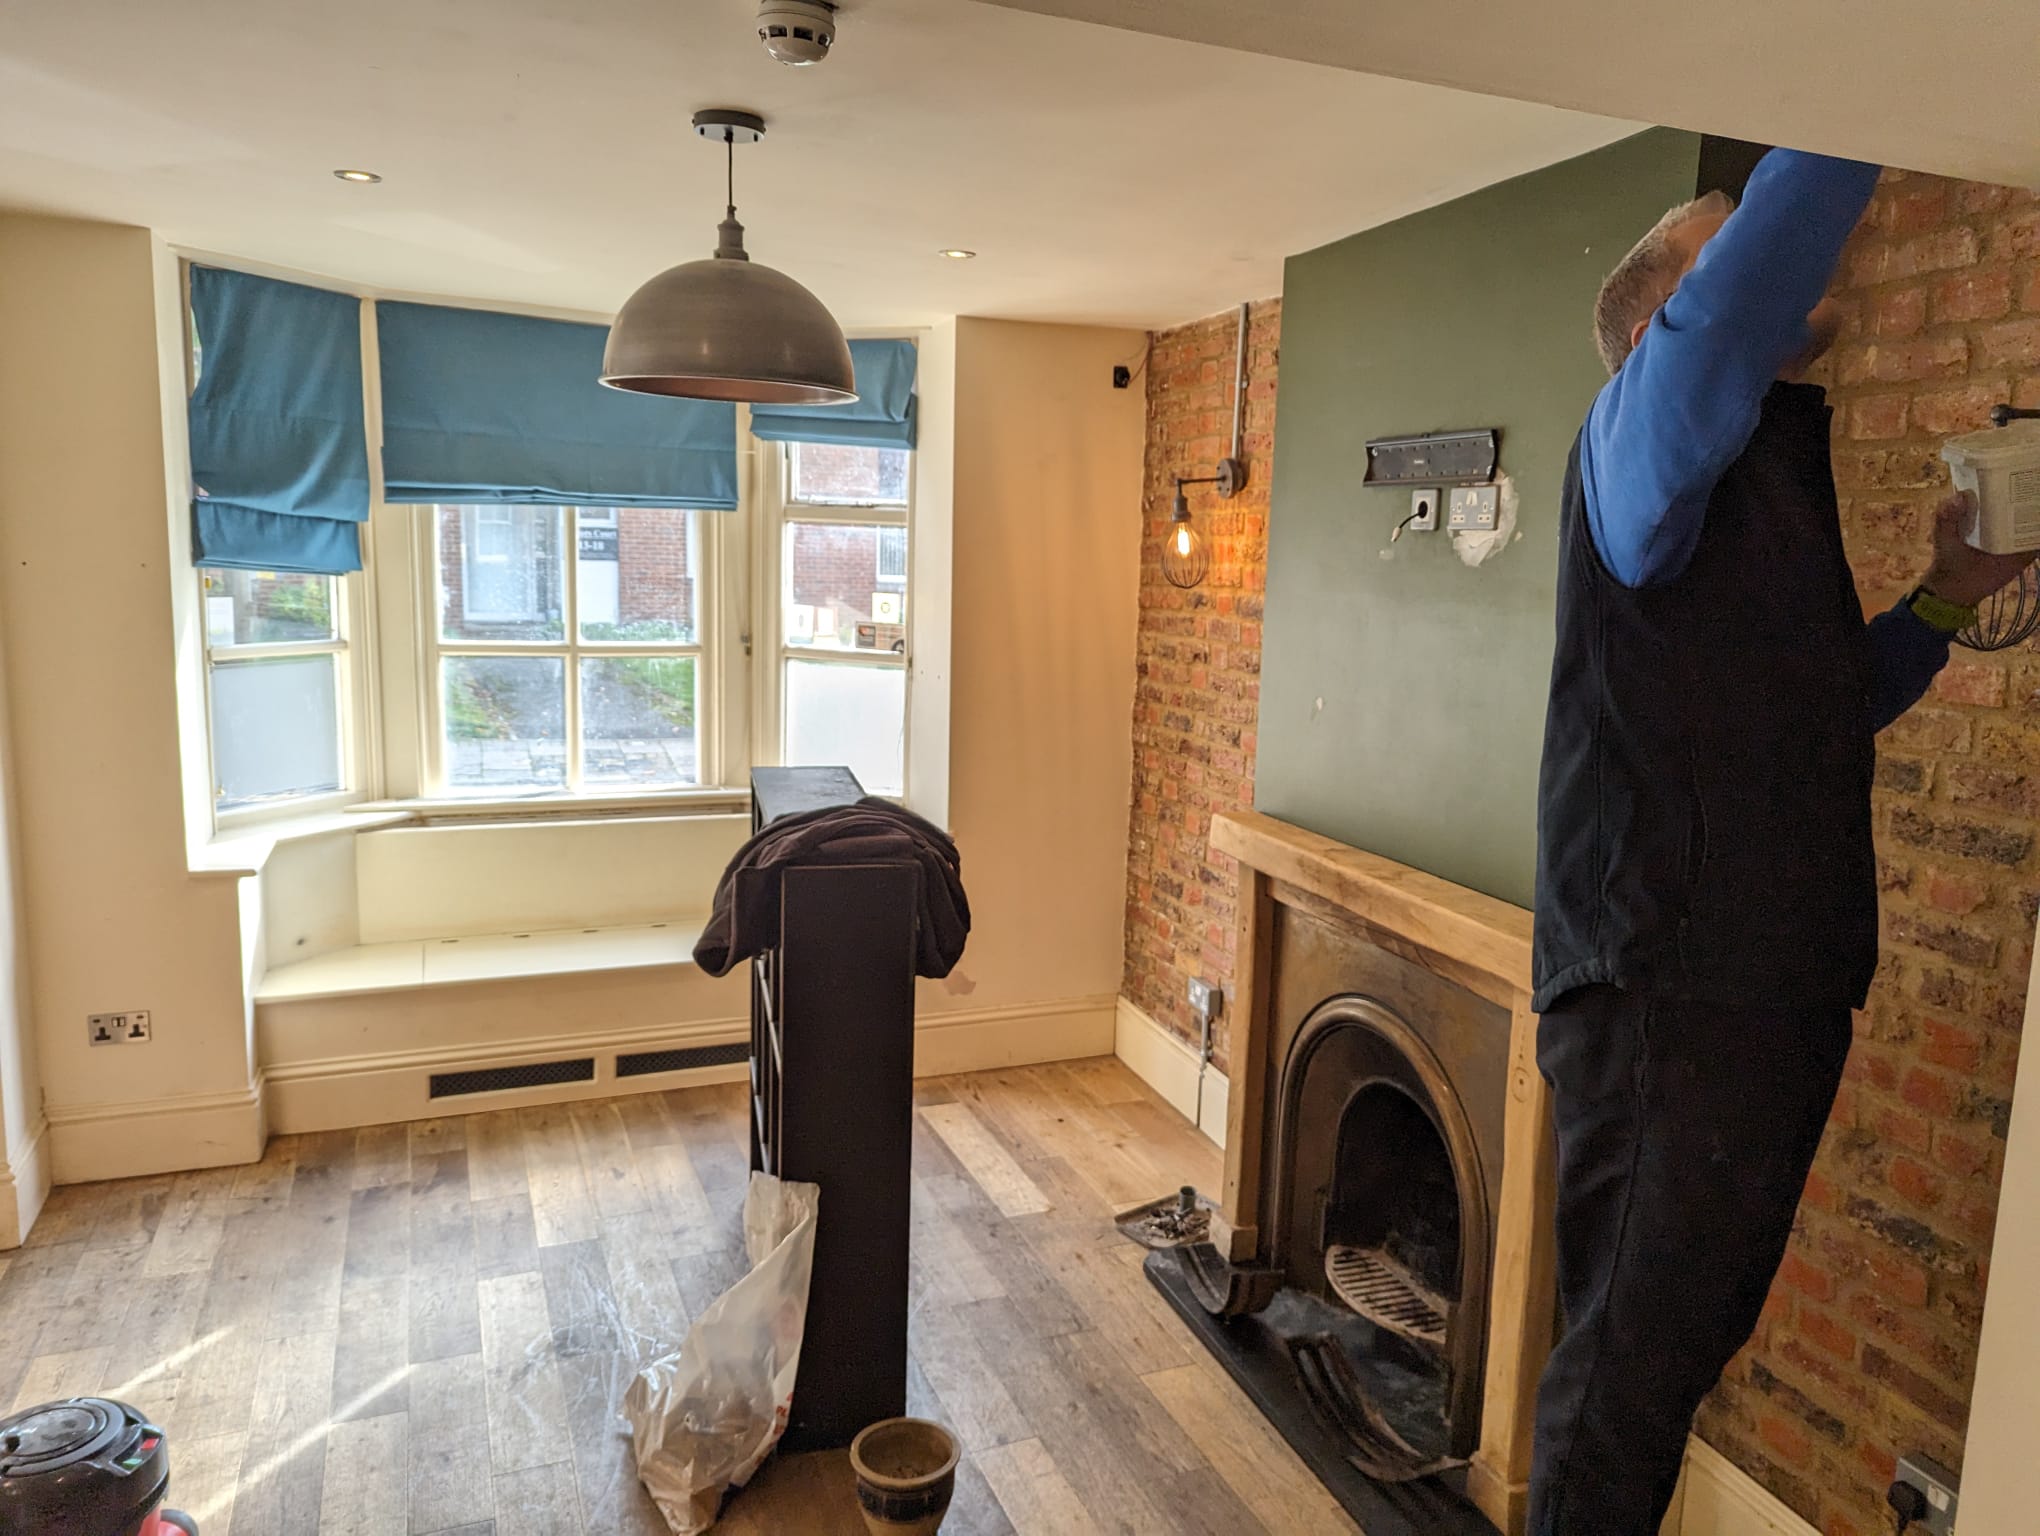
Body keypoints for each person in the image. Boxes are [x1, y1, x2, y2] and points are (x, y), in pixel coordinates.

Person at [1528, 148, 2035, 1534]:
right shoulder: (1639, 431)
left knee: (1667, 1353)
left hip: (1759, 984)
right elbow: (1741, 297)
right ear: (1657, 328)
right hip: (1671, 985)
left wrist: (1946, 598)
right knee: (1628, 1376)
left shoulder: (1744, 474)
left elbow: (1823, 714)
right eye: (1731, 241)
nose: (1789, 264)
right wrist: (1852, 99)